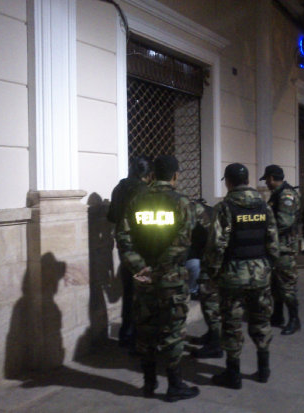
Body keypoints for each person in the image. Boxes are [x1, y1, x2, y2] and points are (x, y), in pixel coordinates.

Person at [116, 155, 199, 402]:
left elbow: (123, 238)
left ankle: (149, 383)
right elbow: (183, 241)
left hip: (144, 280)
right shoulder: (182, 202)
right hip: (170, 279)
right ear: (175, 176)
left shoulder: (136, 200)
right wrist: (159, 268)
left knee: (146, 331)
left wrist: (140, 268)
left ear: (152, 175)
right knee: (173, 332)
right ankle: (175, 385)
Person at [203, 163, 279, 389]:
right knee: (261, 320)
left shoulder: (224, 208)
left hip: (233, 276)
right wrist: (268, 267)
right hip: (260, 274)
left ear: (228, 181)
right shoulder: (264, 207)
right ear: (246, 181)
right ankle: (263, 370)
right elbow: (273, 243)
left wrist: (213, 273)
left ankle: (233, 375)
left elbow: (217, 246)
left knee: (232, 324)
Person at [107, 156, 152, 349]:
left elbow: (112, 216)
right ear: (149, 174)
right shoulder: (146, 192)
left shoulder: (119, 188)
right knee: (142, 293)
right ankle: (136, 337)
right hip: (141, 245)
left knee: (128, 290)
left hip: (123, 244)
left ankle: (126, 332)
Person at [259, 165, 301, 335]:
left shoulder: (286, 195)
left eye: (267, 180)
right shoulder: (278, 194)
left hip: (284, 248)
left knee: (287, 286)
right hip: (276, 248)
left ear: (271, 178)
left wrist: (263, 228)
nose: (267, 184)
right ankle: (277, 315)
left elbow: (284, 222)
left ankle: (294, 319)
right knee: (275, 285)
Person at [190, 199, 223, 359]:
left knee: (210, 302)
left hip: (212, 262)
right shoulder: (210, 210)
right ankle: (212, 335)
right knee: (208, 301)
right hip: (213, 260)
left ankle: (216, 344)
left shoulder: (197, 212)